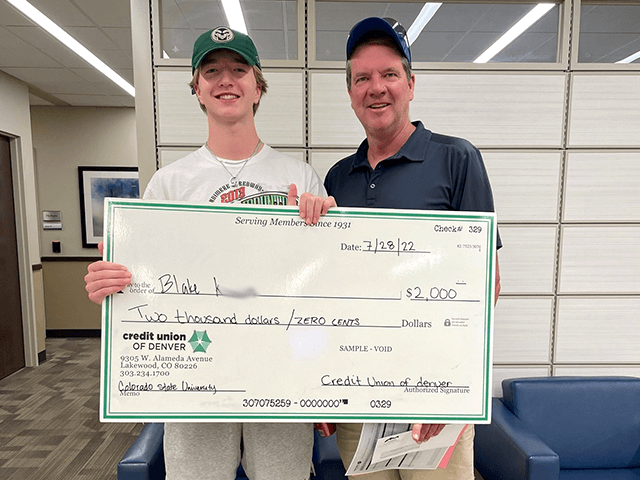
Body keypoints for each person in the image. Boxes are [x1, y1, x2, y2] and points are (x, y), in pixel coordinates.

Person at [84, 26, 326, 480]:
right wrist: (111, 285)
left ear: (258, 87)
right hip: (196, 374)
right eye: (211, 71)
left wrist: (322, 383)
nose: (225, 80)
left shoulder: (301, 179)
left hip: (279, 375)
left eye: (238, 69)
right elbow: (144, 287)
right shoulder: (168, 184)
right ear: (197, 89)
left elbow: (322, 292)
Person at [300, 16, 502, 480]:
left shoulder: (457, 160)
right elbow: (326, 297)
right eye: (362, 78)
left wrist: (445, 387)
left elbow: (483, 287)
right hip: (358, 398)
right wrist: (318, 388)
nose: (377, 88)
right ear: (350, 93)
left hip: (430, 406)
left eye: (389, 74)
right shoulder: (337, 179)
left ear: (411, 84)